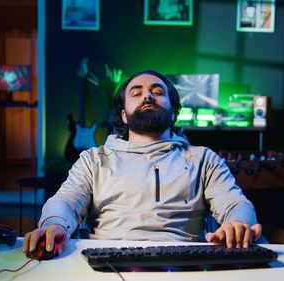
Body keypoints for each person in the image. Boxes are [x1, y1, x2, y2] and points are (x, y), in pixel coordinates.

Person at [23, 70, 262, 257]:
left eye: (157, 92)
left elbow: (236, 204)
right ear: (124, 115)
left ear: (174, 112)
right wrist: (55, 225)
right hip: (105, 261)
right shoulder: (94, 159)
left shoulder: (203, 159)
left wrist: (239, 223)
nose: (147, 95)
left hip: (183, 263)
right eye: (136, 93)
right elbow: (65, 201)